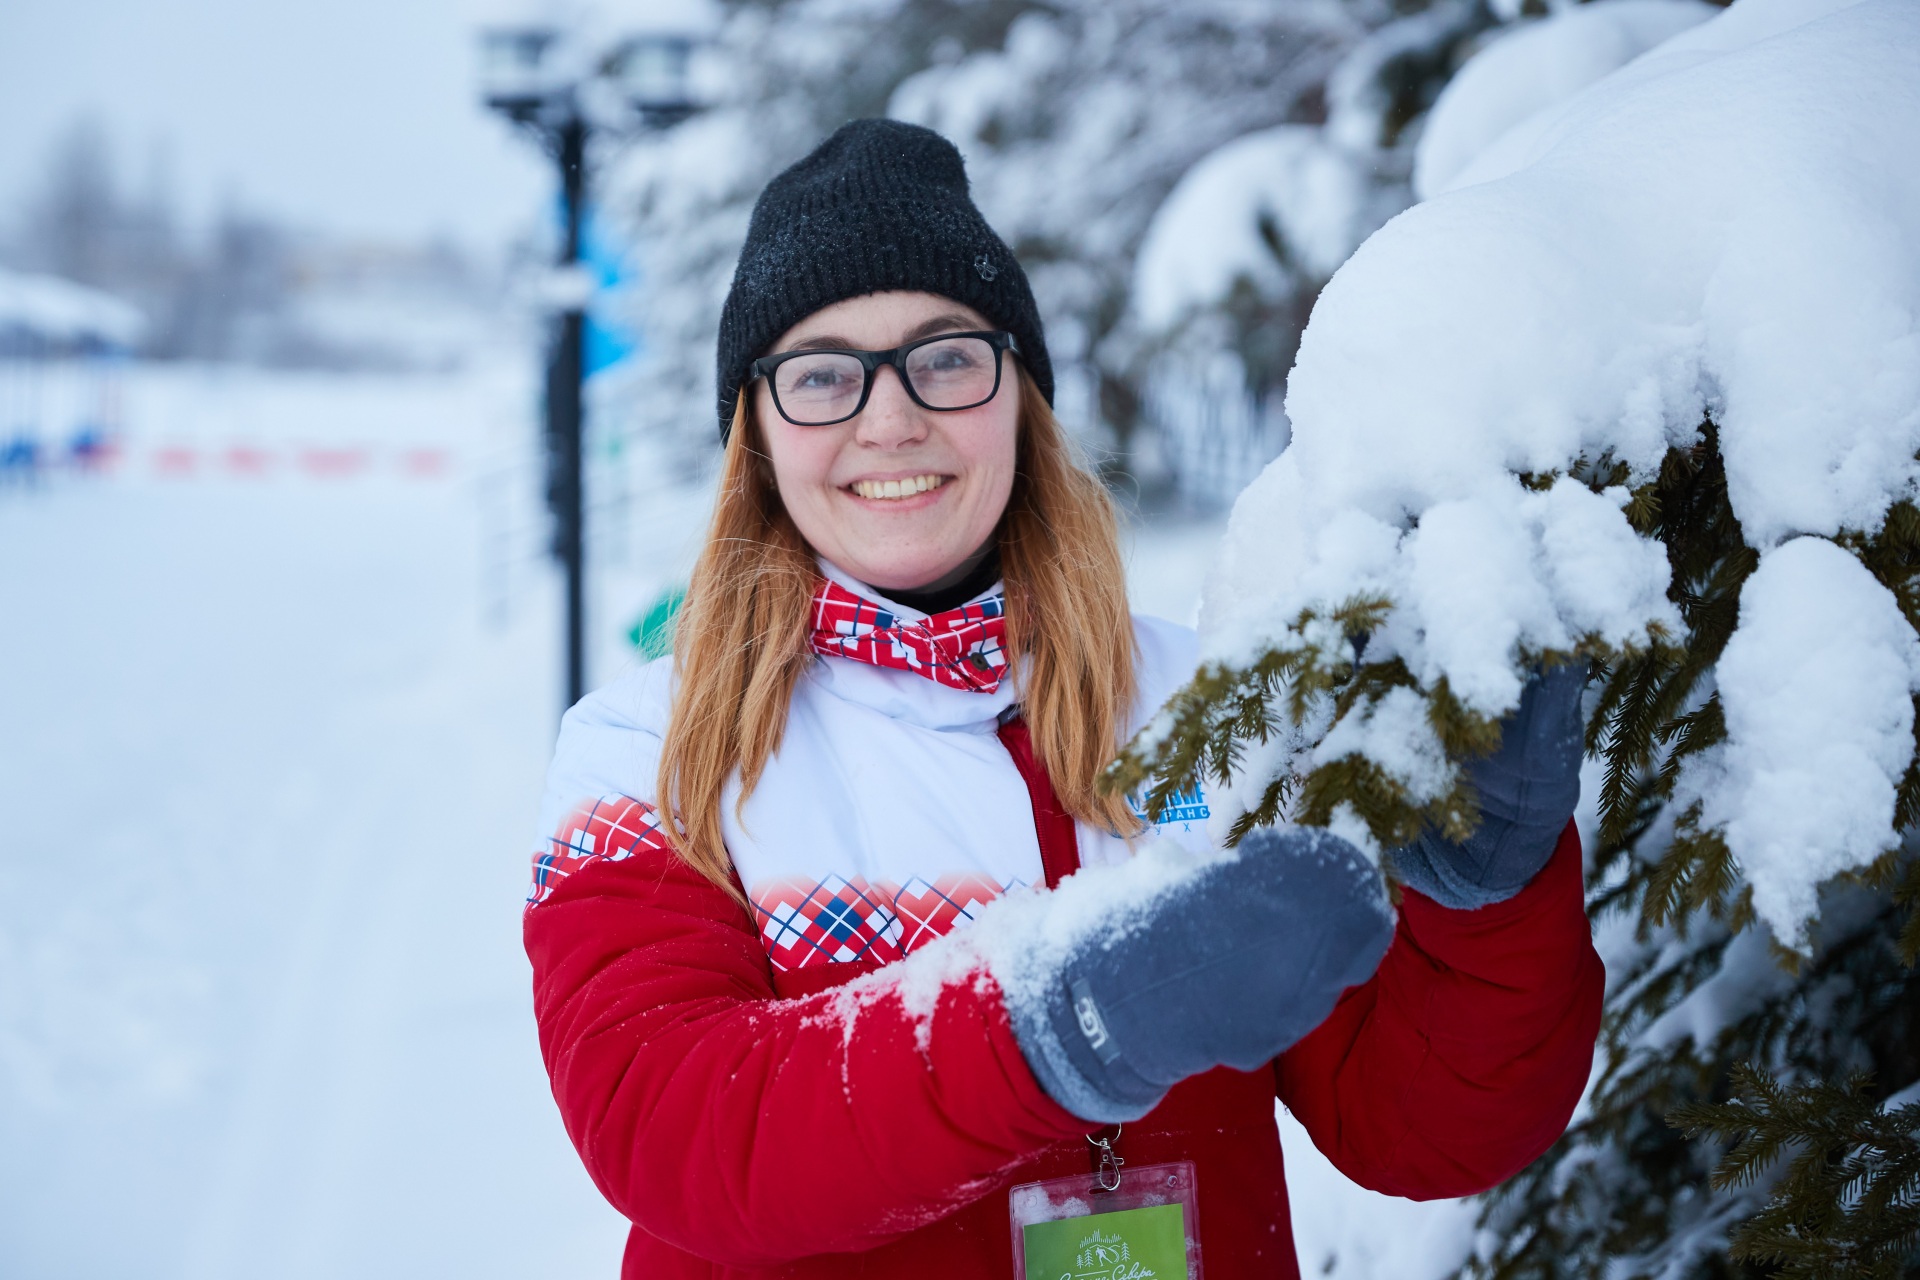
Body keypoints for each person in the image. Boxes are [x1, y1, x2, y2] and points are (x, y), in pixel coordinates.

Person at [524, 119, 1603, 1279]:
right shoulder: (648, 755)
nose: (890, 418)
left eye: (944, 355)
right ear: (758, 429)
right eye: (824, 374)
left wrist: (1485, 910)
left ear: (1020, 396)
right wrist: (1059, 1019)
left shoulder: (1210, 700)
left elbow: (1427, 1126)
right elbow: (679, 1126)